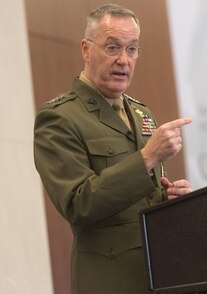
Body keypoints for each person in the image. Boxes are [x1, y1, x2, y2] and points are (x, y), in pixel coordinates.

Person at [33, 4, 192, 294]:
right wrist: (147, 157)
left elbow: (140, 196)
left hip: (160, 274)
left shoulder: (141, 114)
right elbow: (78, 203)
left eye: (132, 49)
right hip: (110, 281)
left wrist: (168, 198)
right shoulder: (59, 118)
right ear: (85, 49)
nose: (123, 60)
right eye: (112, 47)